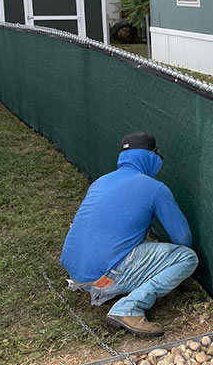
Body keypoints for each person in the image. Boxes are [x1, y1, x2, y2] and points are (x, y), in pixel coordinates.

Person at [60, 131, 198, 337]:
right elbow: (182, 239)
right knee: (186, 257)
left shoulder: (101, 181)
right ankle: (128, 308)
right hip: (102, 279)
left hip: (76, 272)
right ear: (151, 156)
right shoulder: (155, 188)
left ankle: (96, 286)